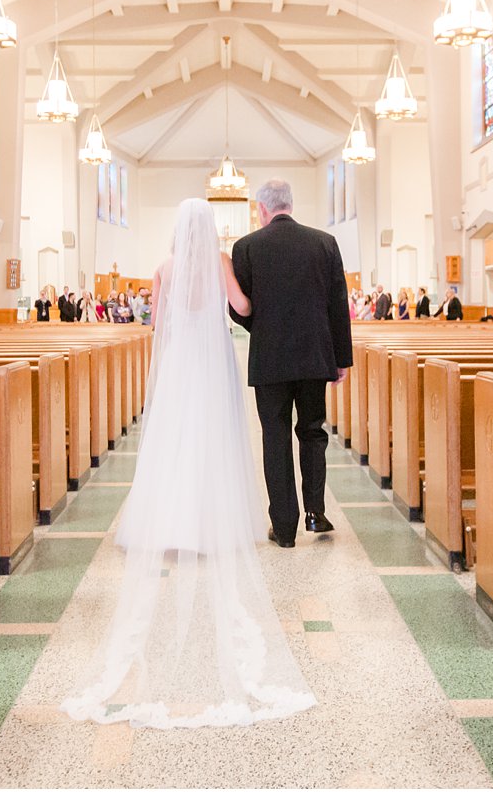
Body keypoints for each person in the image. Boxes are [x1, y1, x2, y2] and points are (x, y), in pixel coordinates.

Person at [62, 198, 315, 729]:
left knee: (174, 440)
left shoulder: (163, 267)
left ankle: (171, 522)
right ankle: (211, 522)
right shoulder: (219, 264)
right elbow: (241, 309)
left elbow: (157, 325)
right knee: (214, 439)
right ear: (209, 230)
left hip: (178, 363)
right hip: (212, 362)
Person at [229, 179, 352, 547]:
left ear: (262, 209)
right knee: (313, 432)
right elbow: (338, 307)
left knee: (275, 437)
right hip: (315, 358)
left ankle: (284, 528)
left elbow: (238, 310)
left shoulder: (246, 247)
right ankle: (315, 513)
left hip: (270, 360)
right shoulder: (324, 243)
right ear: (290, 204)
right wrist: (341, 359)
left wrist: (263, 327)